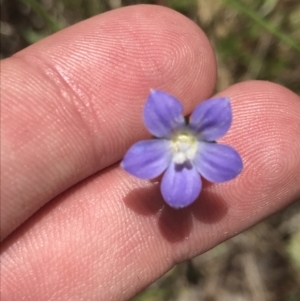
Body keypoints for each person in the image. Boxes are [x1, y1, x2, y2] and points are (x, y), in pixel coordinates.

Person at [1, 5, 299, 301]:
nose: (182, 150)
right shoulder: (157, 121)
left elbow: (221, 168)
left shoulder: (212, 129)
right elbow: (147, 146)